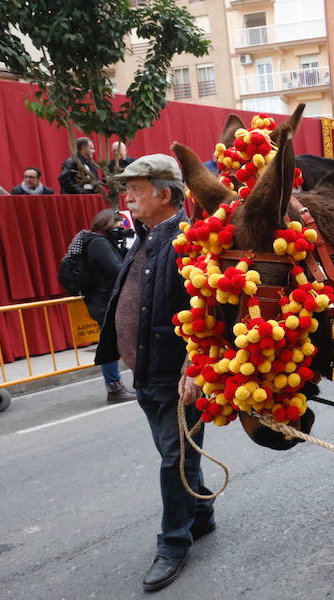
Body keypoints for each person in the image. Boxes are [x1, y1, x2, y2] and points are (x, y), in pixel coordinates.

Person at [95, 155, 215, 592]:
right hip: (146, 371)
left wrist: (194, 364)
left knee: (175, 458)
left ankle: (174, 545)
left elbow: (209, 310)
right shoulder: (145, 237)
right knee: (178, 452)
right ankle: (200, 515)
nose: (128, 196)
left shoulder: (190, 240)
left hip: (175, 374)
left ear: (165, 194)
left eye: (137, 188)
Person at [67, 209, 138, 403]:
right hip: (104, 302)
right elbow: (117, 269)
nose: (121, 229)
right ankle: (114, 388)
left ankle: (119, 386)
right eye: (117, 226)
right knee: (111, 343)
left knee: (118, 340)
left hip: (104, 300)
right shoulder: (98, 242)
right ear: (106, 224)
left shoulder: (102, 241)